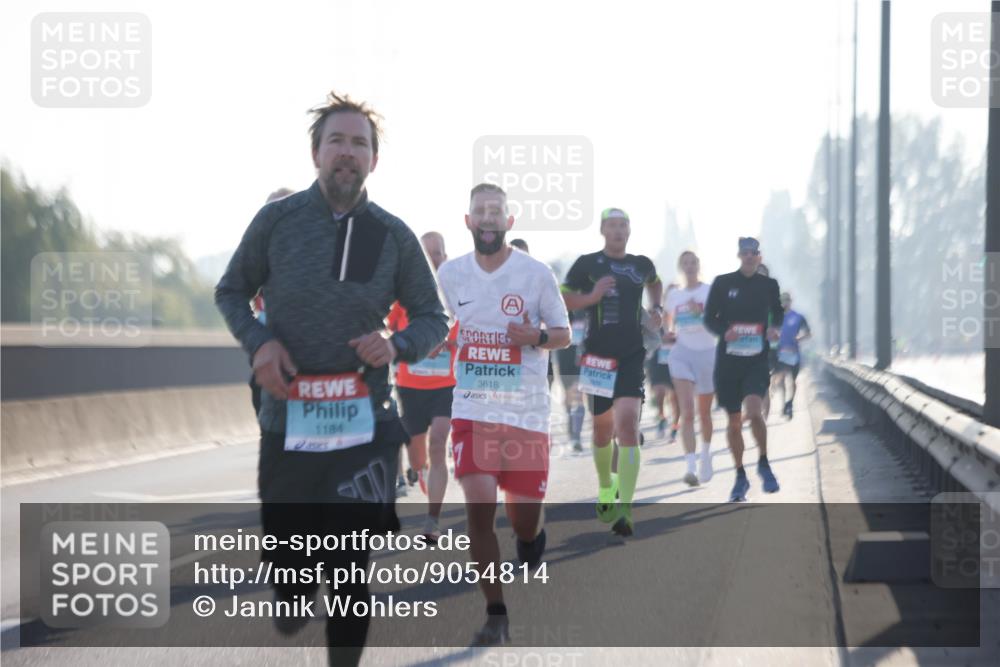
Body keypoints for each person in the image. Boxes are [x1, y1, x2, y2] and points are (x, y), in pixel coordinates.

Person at [214, 91, 449, 666]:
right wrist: (261, 342)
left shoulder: (392, 235)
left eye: (360, 144)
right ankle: (292, 589)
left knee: (348, 564)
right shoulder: (278, 221)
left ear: (374, 160)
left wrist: (395, 343)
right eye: (337, 141)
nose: (348, 152)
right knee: (291, 571)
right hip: (286, 419)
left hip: (364, 422)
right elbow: (230, 291)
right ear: (316, 152)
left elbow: (434, 318)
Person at [437, 183, 570, 646]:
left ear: (509, 222)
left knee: (523, 521)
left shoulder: (536, 275)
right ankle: (496, 613)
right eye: (481, 211)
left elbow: (563, 334)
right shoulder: (451, 275)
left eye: (497, 211)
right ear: (468, 221)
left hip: (526, 414)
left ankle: (531, 540)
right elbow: (437, 320)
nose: (489, 218)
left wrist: (533, 337)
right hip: (473, 408)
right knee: (478, 506)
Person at [562, 208, 663, 537]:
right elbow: (564, 298)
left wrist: (657, 308)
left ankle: (626, 508)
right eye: (612, 226)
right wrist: (591, 296)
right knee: (602, 431)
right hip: (596, 358)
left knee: (628, 427)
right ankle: (607, 488)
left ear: (629, 231)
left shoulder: (640, 264)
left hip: (632, 355)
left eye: (623, 226)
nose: (618, 231)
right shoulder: (588, 264)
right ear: (603, 231)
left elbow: (655, 282)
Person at [386, 231, 459, 541]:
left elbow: (469, 331)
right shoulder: (405, 294)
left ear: (445, 255)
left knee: (439, 441)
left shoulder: (457, 290)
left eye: (438, 253)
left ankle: (433, 519)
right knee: (418, 457)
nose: (433, 259)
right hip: (411, 385)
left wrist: (445, 341)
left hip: (446, 384)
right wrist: (413, 342)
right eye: (427, 254)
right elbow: (388, 328)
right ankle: (424, 472)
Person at [703, 237, 783, 502]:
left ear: (759, 257)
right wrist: (724, 332)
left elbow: (778, 313)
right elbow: (709, 318)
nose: (749, 257)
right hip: (728, 362)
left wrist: (774, 328)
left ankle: (763, 461)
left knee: (754, 410)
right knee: (734, 422)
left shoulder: (768, 285)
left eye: (753, 253)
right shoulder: (723, 283)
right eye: (745, 253)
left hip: (756, 360)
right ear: (739, 255)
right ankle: (740, 475)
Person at [664, 251, 717, 486]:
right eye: (685, 262)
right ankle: (690, 467)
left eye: (693, 262)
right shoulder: (674, 295)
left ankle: (705, 455)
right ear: (680, 267)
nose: (689, 266)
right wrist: (668, 333)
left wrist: (702, 313)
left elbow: (719, 321)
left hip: (707, 354)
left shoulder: (709, 291)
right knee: (687, 411)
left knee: (704, 414)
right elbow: (667, 320)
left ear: (699, 265)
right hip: (682, 353)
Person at [248, 188, 296, 417]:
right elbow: (235, 294)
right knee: (260, 392)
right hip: (267, 342)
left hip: (306, 348)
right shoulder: (256, 251)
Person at [647, 283, 680, 442]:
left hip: (679, 360)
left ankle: (675, 425)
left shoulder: (685, 313)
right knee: (659, 391)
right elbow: (646, 335)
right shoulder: (655, 313)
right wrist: (661, 339)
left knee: (675, 397)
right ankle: (661, 418)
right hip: (658, 359)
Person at [772, 291, 811, 418]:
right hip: (780, 353)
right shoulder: (775, 317)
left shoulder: (798, 317)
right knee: (780, 380)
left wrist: (799, 338)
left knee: (792, 380)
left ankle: (790, 403)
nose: (784, 303)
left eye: (787, 300)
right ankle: (784, 403)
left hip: (794, 353)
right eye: (782, 301)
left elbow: (808, 333)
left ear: (790, 301)